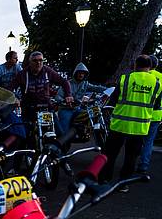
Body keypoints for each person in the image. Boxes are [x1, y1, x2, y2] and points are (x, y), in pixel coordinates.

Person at [100, 54, 161, 192]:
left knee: (110, 153)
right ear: (150, 67)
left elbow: (113, 100)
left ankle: (104, 180)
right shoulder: (157, 84)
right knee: (131, 157)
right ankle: (123, 184)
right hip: (140, 127)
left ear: (135, 65)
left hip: (120, 124)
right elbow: (156, 105)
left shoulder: (126, 78)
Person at [10, 51, 73, 125]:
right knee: (24, 130)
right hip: (29, 108)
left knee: (57, 129)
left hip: (46, 108)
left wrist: (68, 95)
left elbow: (64, 82)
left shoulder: (48, 71)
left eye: (40, 60)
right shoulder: (22, 74)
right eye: (35, 60)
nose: (38, 63)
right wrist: (15, 98)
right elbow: (10, 88)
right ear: (30, 62)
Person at [54, 62, 107, 136]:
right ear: (75, 73)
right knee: (63, 131)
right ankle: (61, 140)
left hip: (77, 109)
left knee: (89, 114)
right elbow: (57, 97)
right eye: (79, 73)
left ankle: (83, 132)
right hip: (66, 109)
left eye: (83, 73)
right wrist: (64, 101)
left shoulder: (85, 84)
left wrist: (109, 90)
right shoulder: (67, 83)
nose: (81, 75)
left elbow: (96, 88)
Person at [136, 55, 162, 174]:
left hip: (141, 112)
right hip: (156, 115)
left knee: (137, 138)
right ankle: (143, 165)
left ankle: (132, 160)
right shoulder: (161, 77)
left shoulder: (142, 75)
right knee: (149, 141)